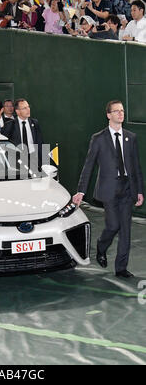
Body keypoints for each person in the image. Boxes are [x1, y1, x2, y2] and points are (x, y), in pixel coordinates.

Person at [73, 100, 144, 278]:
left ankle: (121, 268)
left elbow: (136, 167)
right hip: (109, 190)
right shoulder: (98, 139)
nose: (121, 114)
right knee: (113, 225)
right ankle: (101, 246)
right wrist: (81, 191)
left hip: (127, 189)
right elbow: (88, 166)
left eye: (122, 111)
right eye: (117, 111)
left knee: (126, 230)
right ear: (108, 115)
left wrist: (139, 191)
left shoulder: (131, 137)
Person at [1, 98, 44, 168]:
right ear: (17, 111)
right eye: (24, 108)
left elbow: (40, 142)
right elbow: (3, 144)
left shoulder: (35, 123)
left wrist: (42, 161)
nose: (28, 110)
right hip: (17, 160)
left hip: (33, 158)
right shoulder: (9, 125)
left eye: (28, 107)